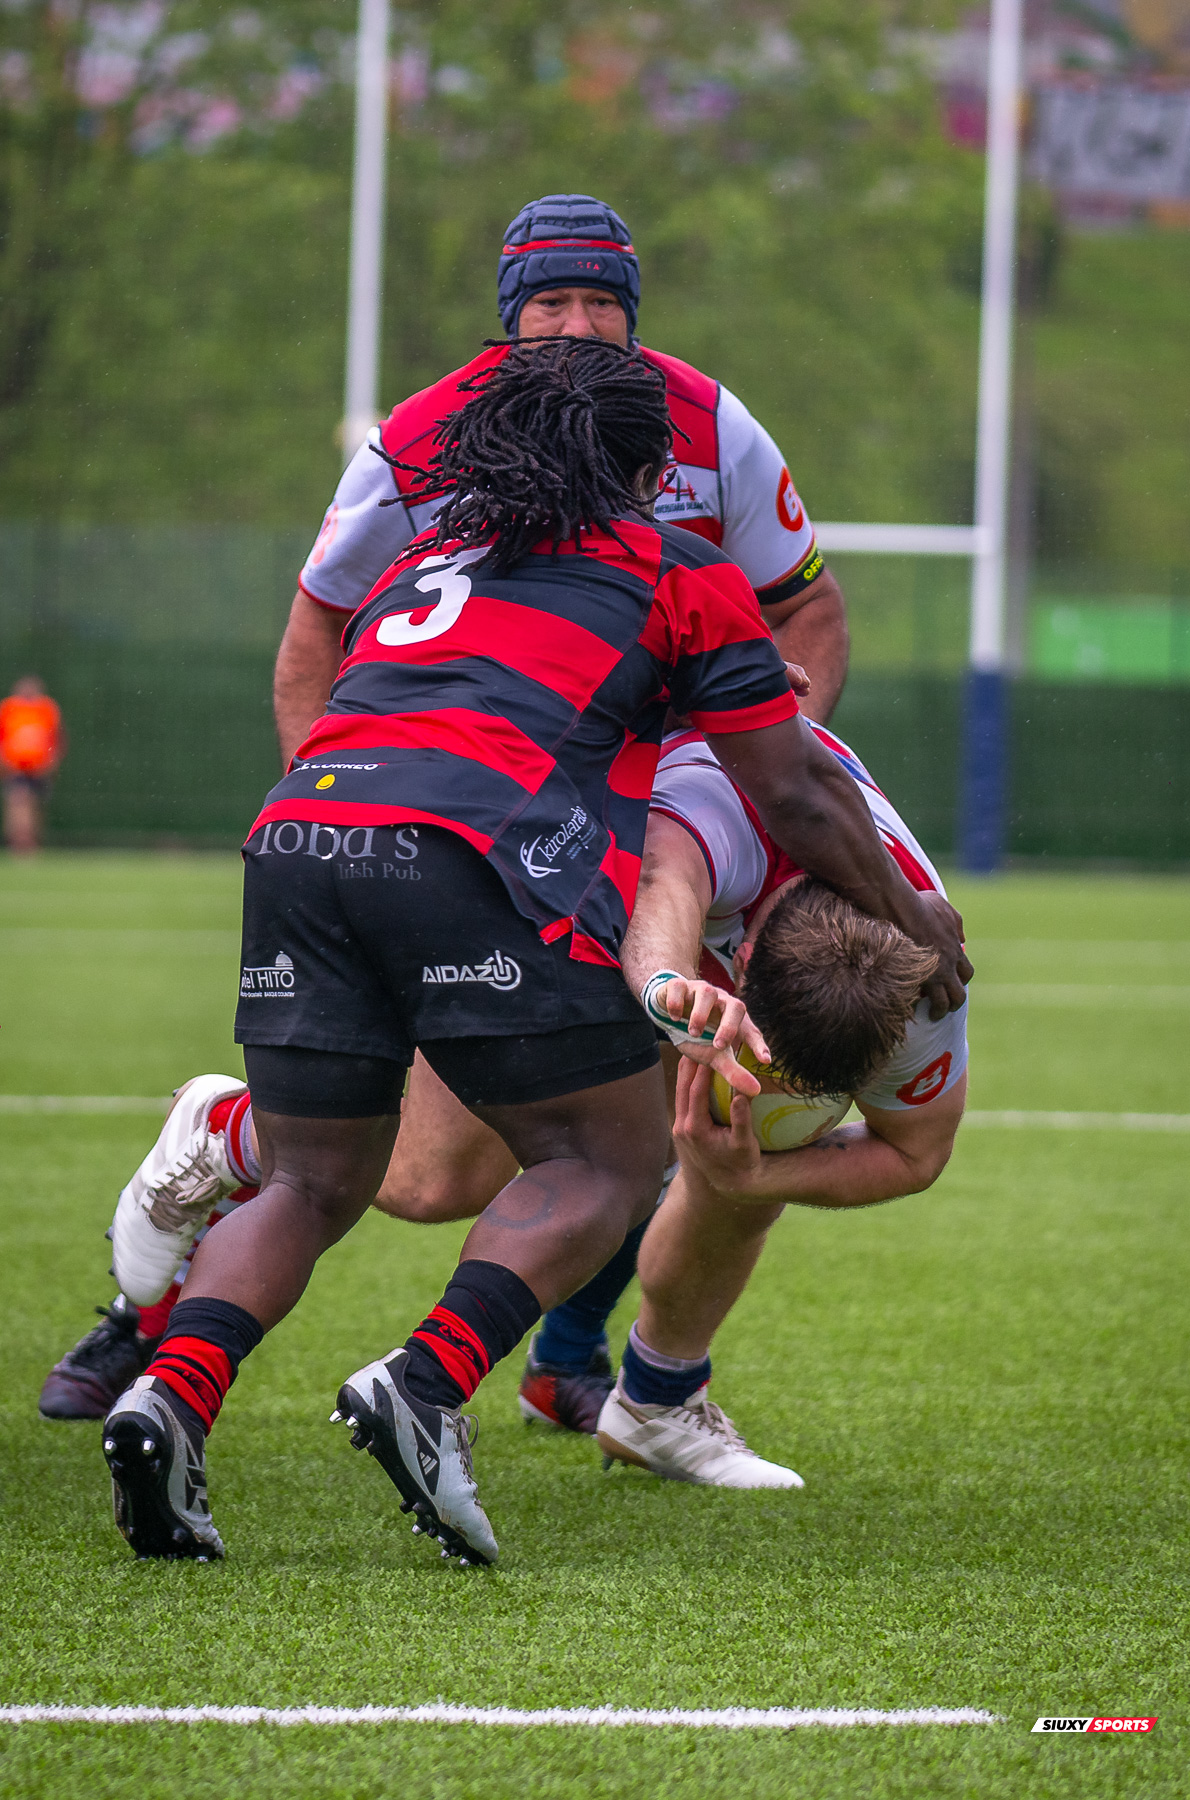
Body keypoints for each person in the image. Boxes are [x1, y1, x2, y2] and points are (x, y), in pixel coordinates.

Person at [97, 337, 966, 1566]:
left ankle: (169, 1396)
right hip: (460, 841)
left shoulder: (431, 555)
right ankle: (427, 1381)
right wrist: (917, 920)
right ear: (649, 473)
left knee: (313, 1179)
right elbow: (795, 793)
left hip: (299, 830)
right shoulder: (679, 565)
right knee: (608, 1158)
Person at [36, 190, 856, 1422]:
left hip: (643, 830)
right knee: (422, 1178)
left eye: (601, 303)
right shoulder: (421, 436)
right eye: (550, 302)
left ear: (635, 317)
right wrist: (347, 812)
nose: (576, 326)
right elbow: (316, 626)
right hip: (474, 835)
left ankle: (576, 1367)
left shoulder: (705, 422)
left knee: (669, 1098)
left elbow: (809, 611)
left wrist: (730, 789)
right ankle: (204, 1191)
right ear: (507, 318)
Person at [591, 722, 969, 1485]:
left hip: (706, 901)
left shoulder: (924, 994)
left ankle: (654, 1401)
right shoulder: (722, 816)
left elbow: (917, 1153)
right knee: (438, 1183)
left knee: (750, 1128)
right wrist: (668, 988)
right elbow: (663, 883)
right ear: (742, 959)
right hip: (588, 824)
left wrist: (758, 1176)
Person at [0, 675, 64, 855]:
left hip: (39, 767)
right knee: (18, 801)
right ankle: (21, 842)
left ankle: (32, 841)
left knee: (34, 805)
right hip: (15, 766)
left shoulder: (47, 708)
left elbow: (55, 736)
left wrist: (52, 761)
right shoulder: (8, 708)